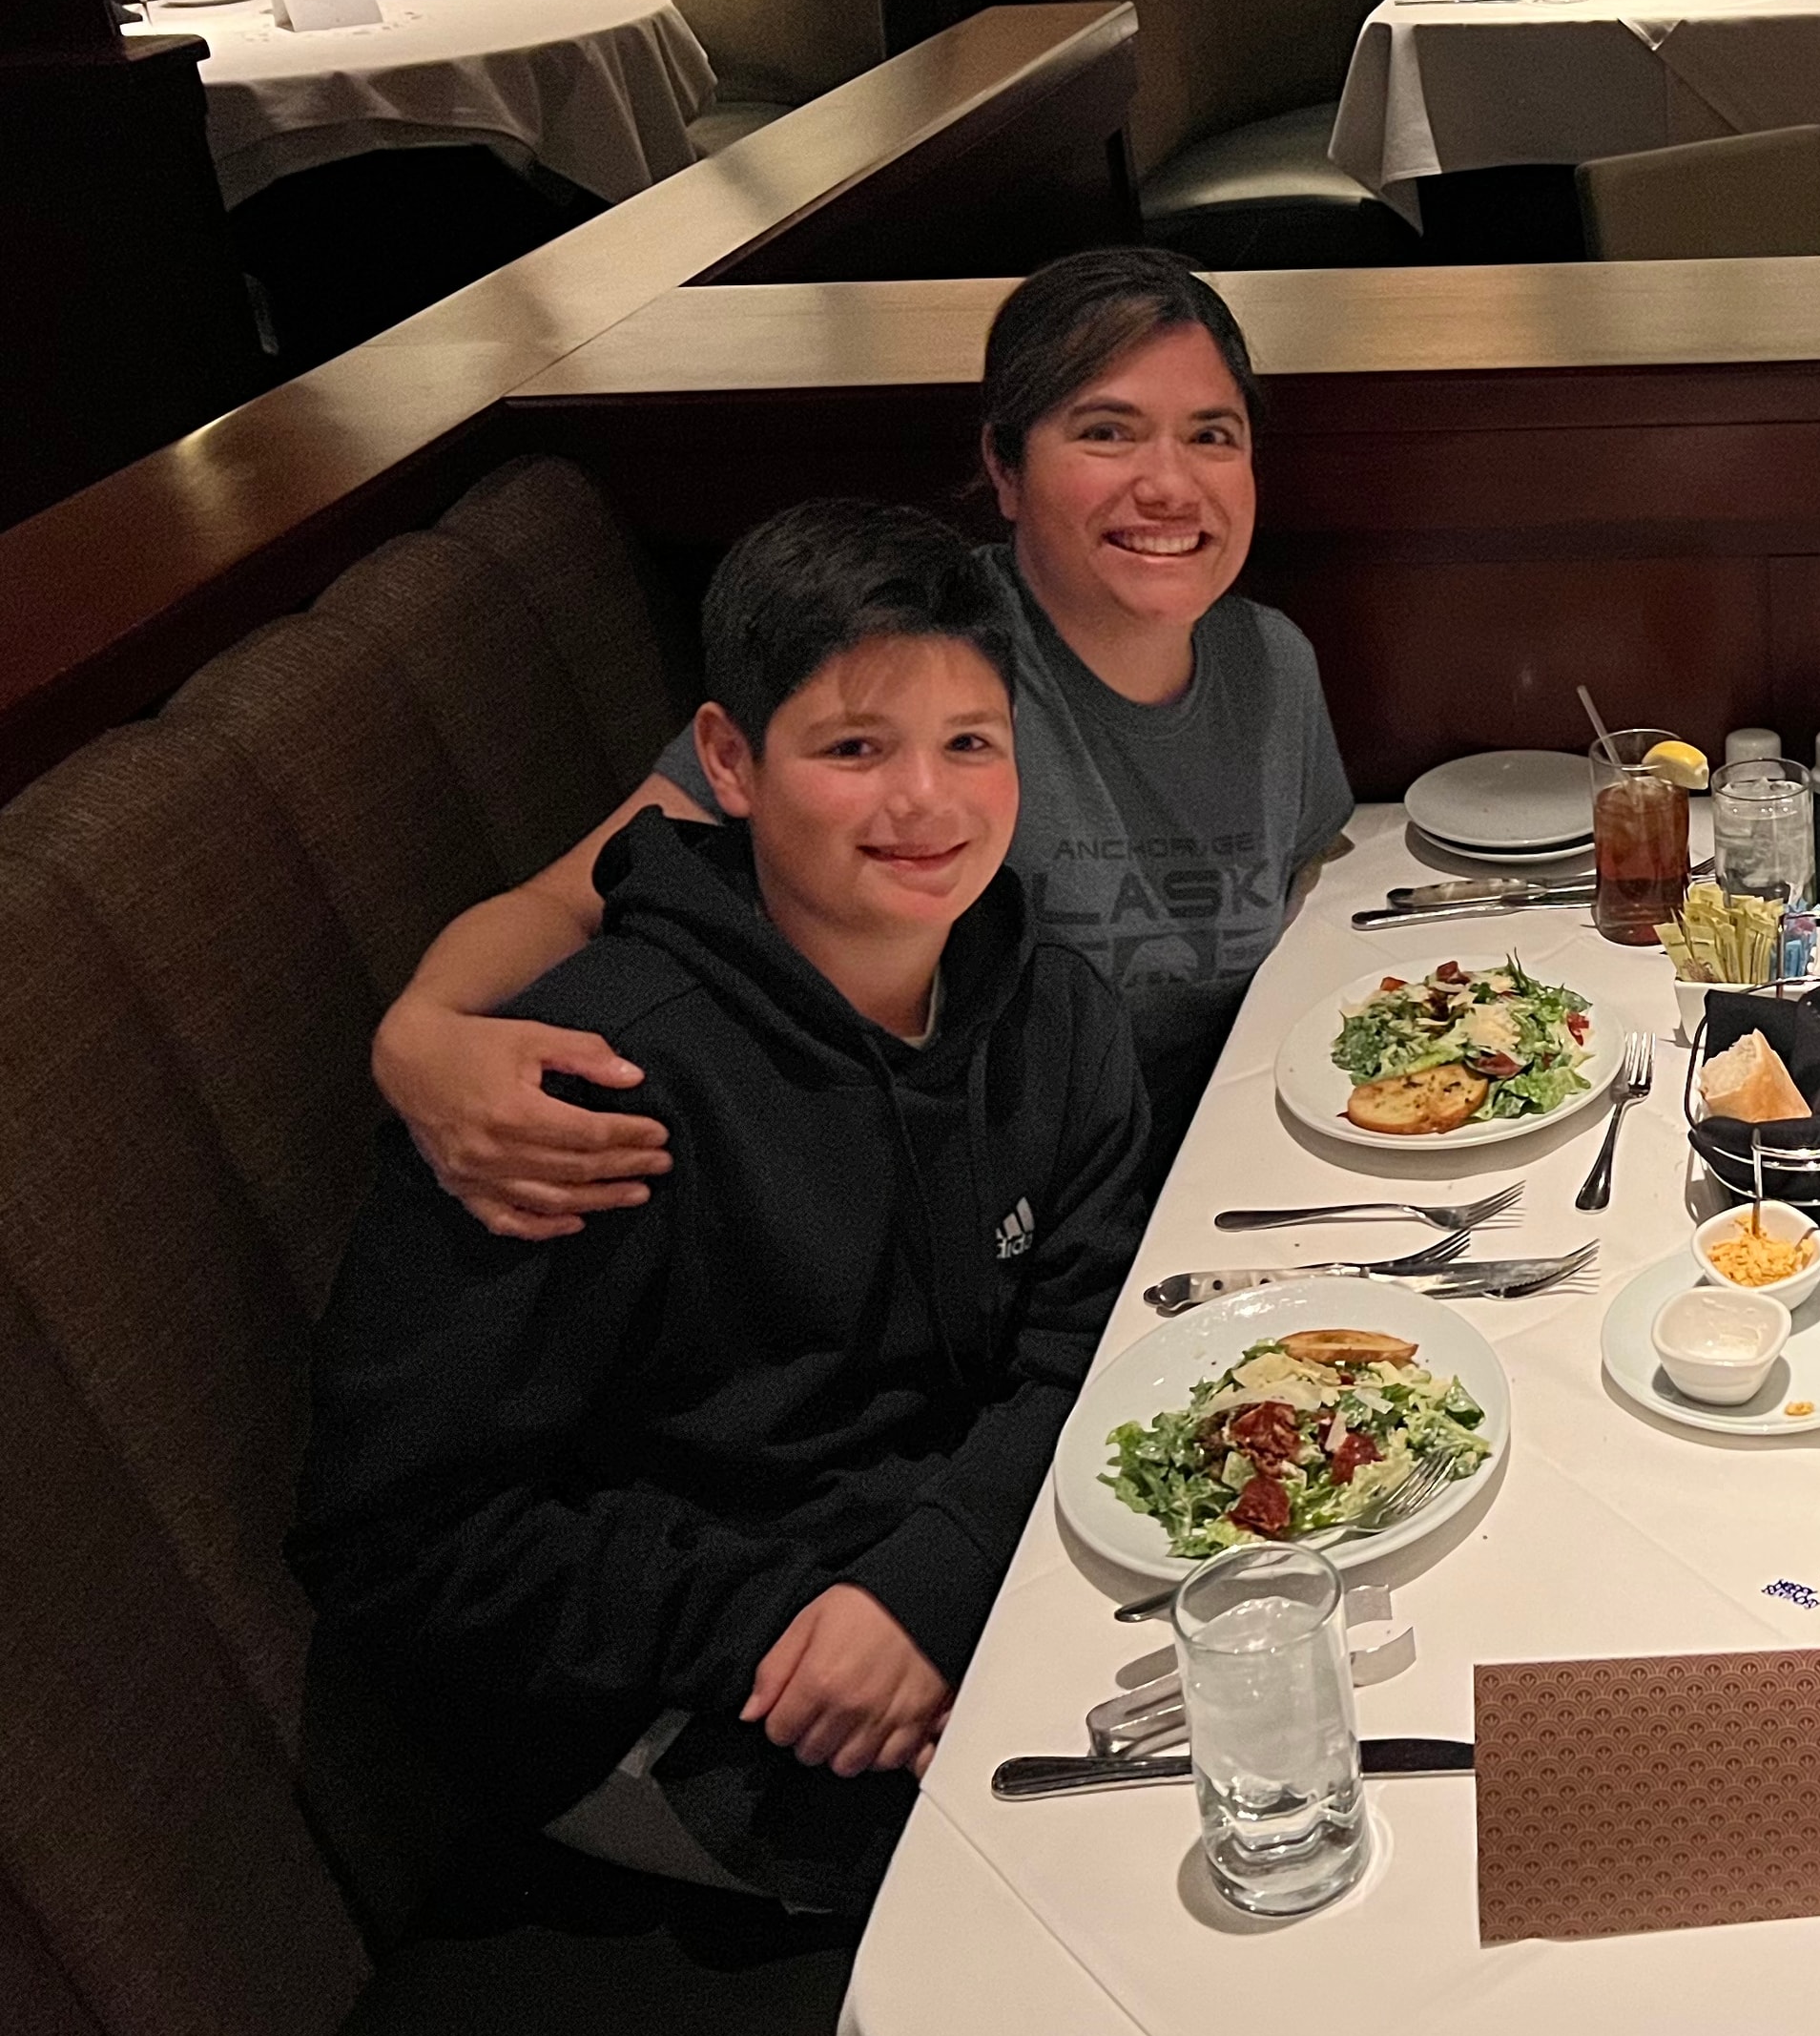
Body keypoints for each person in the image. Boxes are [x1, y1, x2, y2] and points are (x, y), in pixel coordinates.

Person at [292, 502, 1150, 1913]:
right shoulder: (591, 1081)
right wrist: (784, 1625)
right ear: (731, 762)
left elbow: (1094, 1343)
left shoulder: (1051, 1017)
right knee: (1159, 1875)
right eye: (855, 748)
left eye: (969, 743)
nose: (926, 804)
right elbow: (400, 1536)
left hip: (941, 1581)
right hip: (680, 1705)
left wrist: (929, 1584)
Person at [373, 246, 1351, 1235]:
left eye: (1211, 436)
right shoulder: (921, 665)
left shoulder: (1270, 666)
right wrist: (424, 1034)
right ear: (1004, 470)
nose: (1170, 486)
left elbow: (1311, 911)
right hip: (990, 1230)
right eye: (1108, 432)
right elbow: (567, 902)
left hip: (1222, 1186)